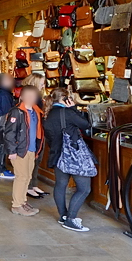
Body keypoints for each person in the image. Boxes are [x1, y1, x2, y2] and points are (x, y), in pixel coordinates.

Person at [46, 87, 96, 232]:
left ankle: (63, 215)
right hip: (73, 155)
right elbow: (86, 124)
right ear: (66, 99)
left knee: (61, 184)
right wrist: (74, 108)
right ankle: (71, 219)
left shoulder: (49, 114)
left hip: (57, 154)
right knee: (84, 188)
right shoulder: (67, 112)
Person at [1, 84, 44, 216]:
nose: (31, 98)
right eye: (29, 95)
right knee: (21, 177)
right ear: (22, 96)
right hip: (20, 149)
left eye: (34, 96)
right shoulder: (17, 112)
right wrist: (12, 151)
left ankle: (23, 201)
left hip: (31, 149)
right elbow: (9, 133)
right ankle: (17, 205)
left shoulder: (36, 111)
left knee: (28, 177)